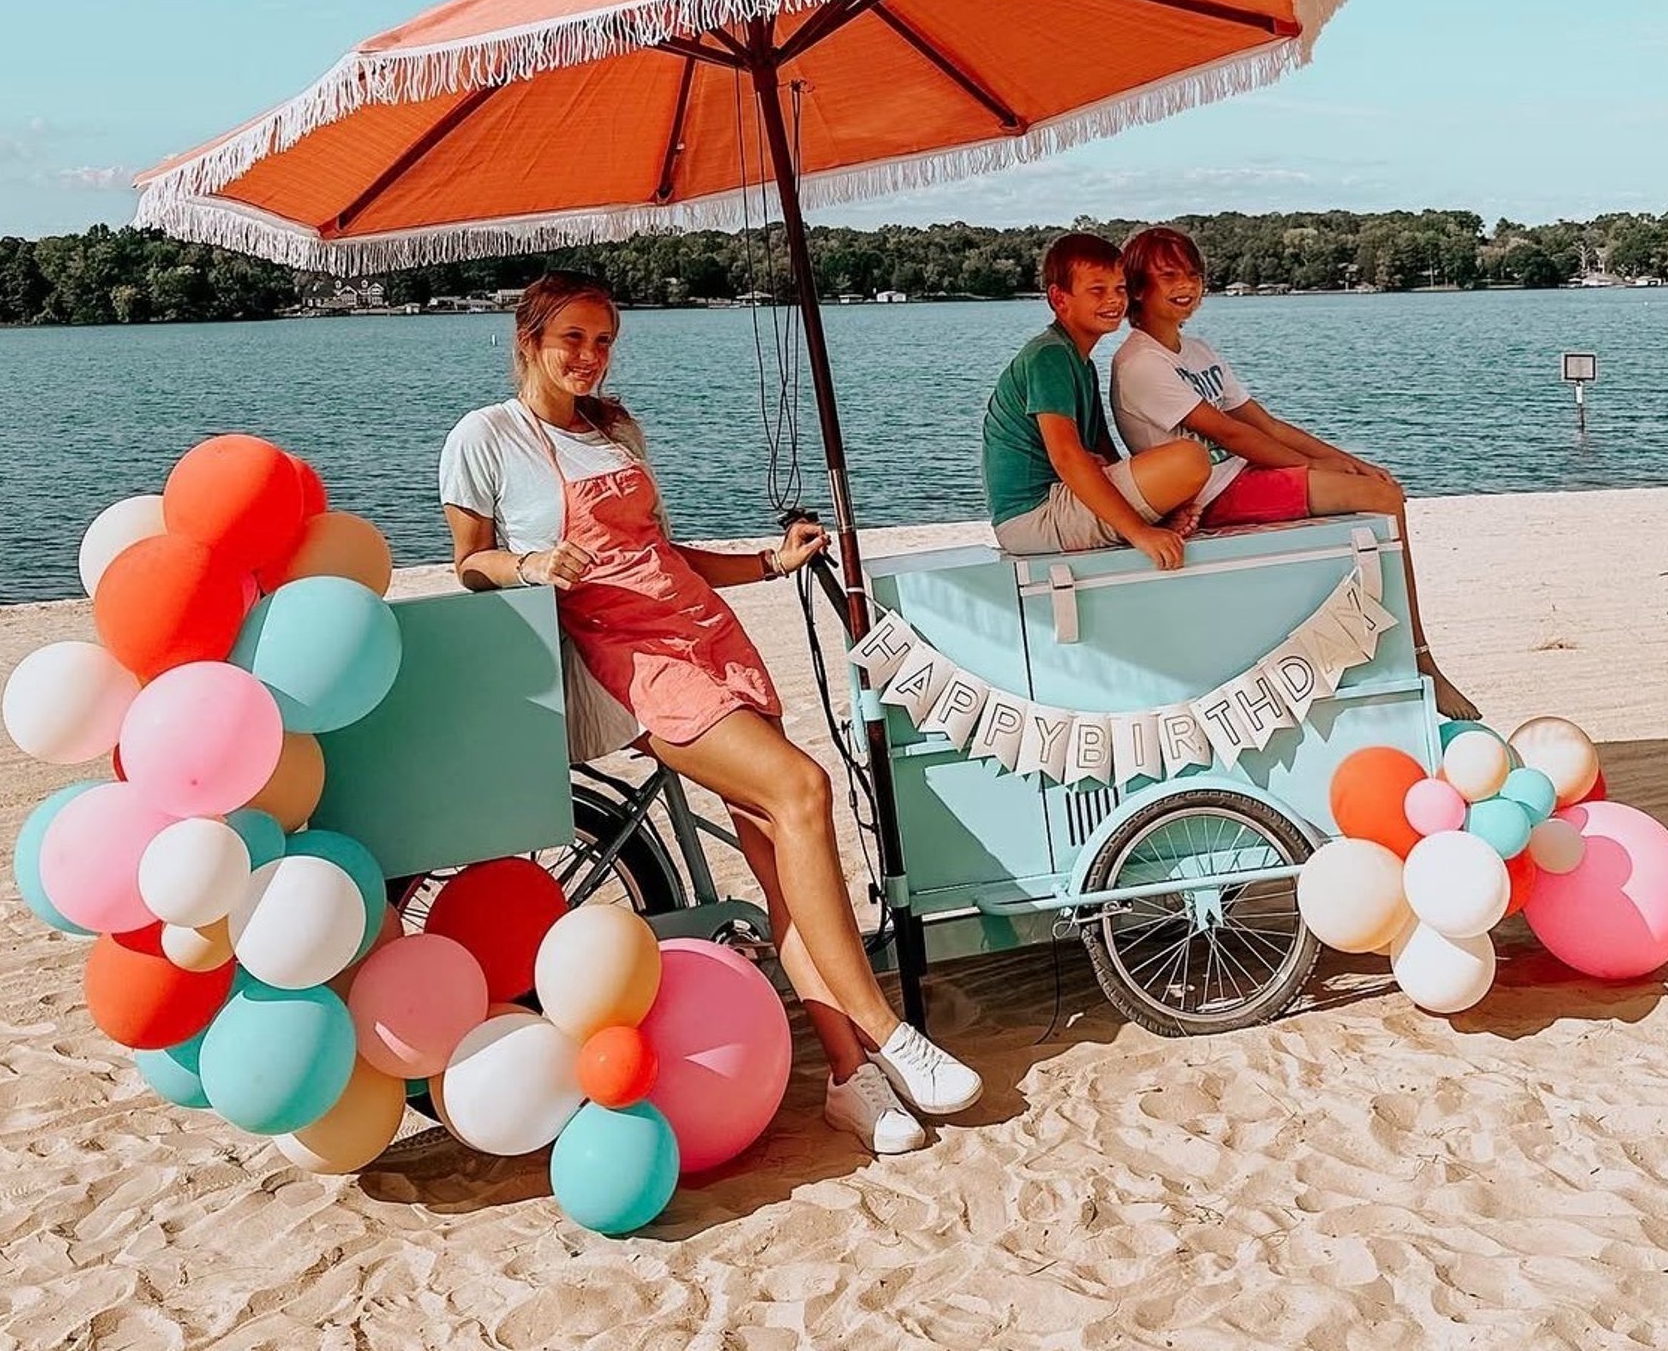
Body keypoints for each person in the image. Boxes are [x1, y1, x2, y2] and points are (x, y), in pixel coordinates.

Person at [440, 271, 981, 1156]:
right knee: (804, 790)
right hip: (639, 662)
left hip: (709, 634)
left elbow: (664, 555)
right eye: (572, 338)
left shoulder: (613, 433)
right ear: (529, 338)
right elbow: (468, 561)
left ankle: (851, 1081)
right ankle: (888, 1029)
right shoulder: (487, 436)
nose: (590, 357)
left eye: (605, 340)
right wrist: (529, 567)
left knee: (781, 864)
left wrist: (767, 563)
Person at [1110, 226, 1480, 720]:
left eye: (1194, 275)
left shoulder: (1196, 351)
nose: (1187, 286)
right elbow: (1232, 436)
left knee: (1381, 488)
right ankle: (1420, 656)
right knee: (1383, 502)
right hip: (1212, 497)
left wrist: (1351, 461)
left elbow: (1263, 423)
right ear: (1138, 288)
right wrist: (1324, 468)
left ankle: (1393, 649)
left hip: (1244, 477)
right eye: (1169, 276)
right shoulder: (1139, 362)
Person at [983, 231, 1213, 568]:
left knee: (1185, 474)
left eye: (1119, 289)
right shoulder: (1049, 357)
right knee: (1191, 459)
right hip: (1032, 519)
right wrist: (1139, 532)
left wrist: (1160, 509)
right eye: (1097, 290)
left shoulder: (1081, 363)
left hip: (1058, 505)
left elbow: (1106, 453)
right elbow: (1066, 458)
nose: (1114, 300)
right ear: (1059, 299)